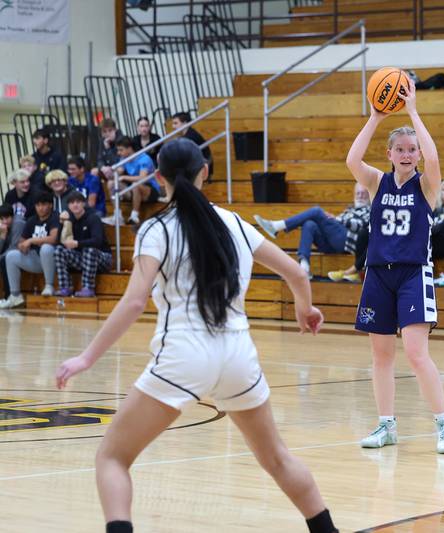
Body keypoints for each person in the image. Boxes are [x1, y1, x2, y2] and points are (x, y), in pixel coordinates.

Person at [54, 139, 338, 533]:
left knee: (112, 458)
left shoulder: (156, 229)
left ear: (158, 178)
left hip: (185, 354)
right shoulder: (236, 223)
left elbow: (135, 302)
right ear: (205, 172)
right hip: (238, 354)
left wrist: (86, 358)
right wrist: (304, 309)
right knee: (278, 460)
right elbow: (297, 273)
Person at [345, 80, 444, 454]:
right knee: (380, 355)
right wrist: (376, 116)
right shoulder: (377, 182)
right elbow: (351, 160)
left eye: (412, 149)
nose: (408, 154)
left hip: (413, 273)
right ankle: (386, 425)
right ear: (390, 154)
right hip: (378, 273)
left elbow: (437, 160)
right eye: (401, 149)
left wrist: (412, 111)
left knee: (414, 351)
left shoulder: (426, 186)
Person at [253, 183, 371, 277]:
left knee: (316, 211)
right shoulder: (349, 209)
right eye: (358, 193)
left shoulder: (370, 210)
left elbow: (360, 226)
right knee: (309, 224)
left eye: (363, 193)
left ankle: (277, 226)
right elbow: (336, 222)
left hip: (348, 242)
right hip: (332, 243)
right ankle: (304, 267)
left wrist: (337, 220)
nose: (360, 196)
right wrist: (333, 219)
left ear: (369, 195)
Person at [0, 191, 59, 308]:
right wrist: (22, 246)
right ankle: (15, 296)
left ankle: (49, 285)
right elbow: (21, 242)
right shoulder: (32, 220)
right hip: (36, 259)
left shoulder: (55, 217)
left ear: (50, 205)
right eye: (38, 205)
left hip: (53, 260)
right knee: (11, 256)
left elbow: (53, 239)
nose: (40, 208)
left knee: (46, 248)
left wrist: (31, 241)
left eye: (43, 204)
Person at [54, 191, 113, 298]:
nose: (75, 205)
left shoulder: (93, 218)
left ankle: (88, 288)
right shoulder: (69, 219)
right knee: (58, 250)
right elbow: (59, 242)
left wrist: (77, 244)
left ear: (83, 204)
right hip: (82, 259)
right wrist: (61, 223)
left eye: (78, 202)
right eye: (72, 203)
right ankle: (65, 287)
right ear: (68, 206)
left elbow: (97, 241)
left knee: (89, 249)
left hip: (103, 258)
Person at [104, 136, 162, 226]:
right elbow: (119, 171)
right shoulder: (124, 158)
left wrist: (124, 177)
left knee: (136, 185)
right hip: (134, 190)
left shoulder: (144, 158)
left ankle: (134, 216)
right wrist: (111, 173)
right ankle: (118, 216)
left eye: (121, 150)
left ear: (129, 148)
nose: (118, 153)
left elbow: (142, 178)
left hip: (150, 190)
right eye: (118, 150)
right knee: (111, 183)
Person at [172, 112, 213, 178]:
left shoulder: (190, 137)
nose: (173, 126)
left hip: (204, 166)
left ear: (185, 123)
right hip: (201, 164)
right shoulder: (188, 134)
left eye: (176, 123)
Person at [30, 128, 65, 194]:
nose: (34, 141)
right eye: (34, 139)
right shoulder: (33, 158)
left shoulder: (57, 156)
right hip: (37, 192)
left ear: (45, 140)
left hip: (54, 191)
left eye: (37, 138)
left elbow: (61, 174)